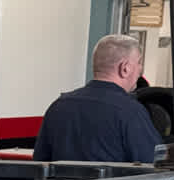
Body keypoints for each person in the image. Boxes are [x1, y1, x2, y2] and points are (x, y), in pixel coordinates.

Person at [33, 35, 162, 163]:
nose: (140, 69)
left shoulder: (58, 106)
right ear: (125, 68)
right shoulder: (130, 112)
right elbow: (154, 165)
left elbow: (40, 163)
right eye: (139, 62)